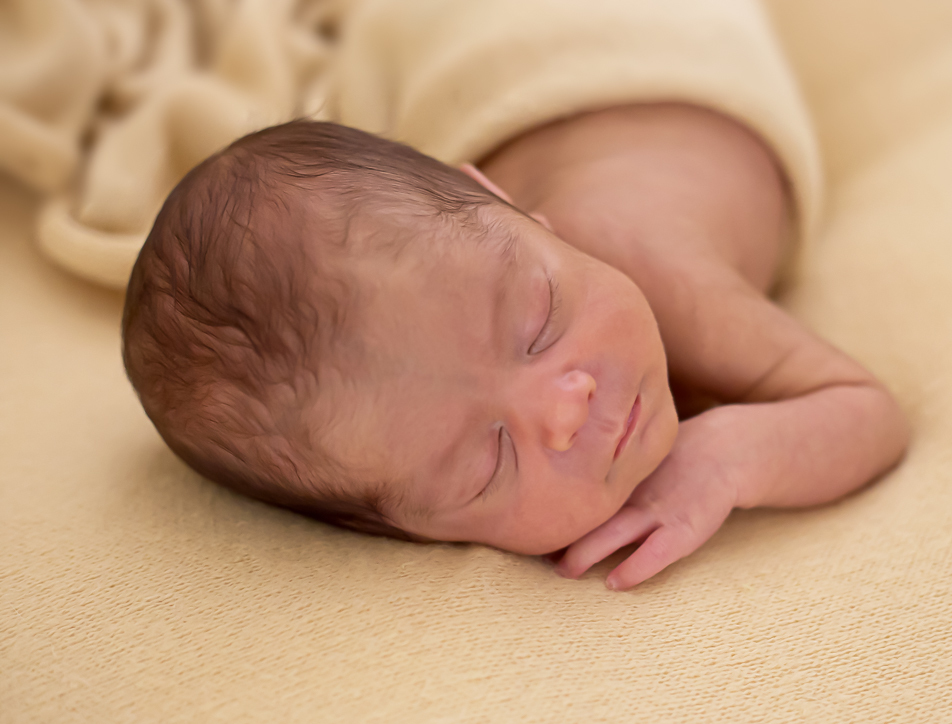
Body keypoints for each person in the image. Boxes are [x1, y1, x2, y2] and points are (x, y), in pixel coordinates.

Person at [122, 106, 909, 591]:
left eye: (538, 321)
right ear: (409, 534)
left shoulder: (658, 265)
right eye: (485, 465)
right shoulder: (462, 286)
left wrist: (726, 459)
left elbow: (866, 411)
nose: (564, 410)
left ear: (511, 207)